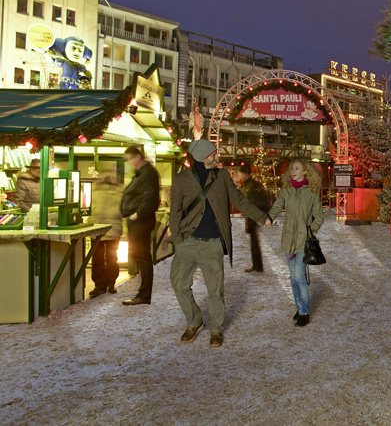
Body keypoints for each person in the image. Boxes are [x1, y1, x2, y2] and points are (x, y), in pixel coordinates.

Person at [169, 140, 271, 347]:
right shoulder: (181, 180)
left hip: (213, 243)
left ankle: (216, 328)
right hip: (187, 242)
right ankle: (194, 321)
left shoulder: (222, 176)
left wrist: (262, 217)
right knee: (179, 284)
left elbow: (240, 201)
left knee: (216, 291)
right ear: (204, 156)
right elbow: (175, 212)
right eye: (214, 154)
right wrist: (178, 241)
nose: (218, 157)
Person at [267, 160, 324, 327]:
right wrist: (270, 217)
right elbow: (277, 206)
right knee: (292, 278)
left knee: (299, 277)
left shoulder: (312, 192)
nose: (293, 170)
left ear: (305, 172)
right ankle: (300, 308)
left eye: (297, 168)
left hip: (303, 241)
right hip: (288, 240)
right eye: (292, 168)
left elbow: (319, 216)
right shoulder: (287, 190)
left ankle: (304, 312)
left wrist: (310, 231)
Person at [120, 145, 160, 306]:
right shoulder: (142, 173)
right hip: (137, 220)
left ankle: (144, 294)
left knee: (142, 255)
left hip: (141, 221)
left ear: (137, 157)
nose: (128, 163)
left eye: (129, 159)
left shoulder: (147, 173)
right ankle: (143, 294)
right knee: (139, 254)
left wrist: (137, 214)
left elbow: (149, 197)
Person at [88, 164, 124, 298]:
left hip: (109, 227)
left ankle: (107, 283)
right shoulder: (96, 187)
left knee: (110, 258)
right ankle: (102, 284)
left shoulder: (98, 188)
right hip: (99, 227)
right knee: (101, 258)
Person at [237, 164, 269, 273]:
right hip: (252, 217)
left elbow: (250, 202)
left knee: (254, 242)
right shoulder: (248, 184)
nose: (239, 175)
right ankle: (256, 265)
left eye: (240, 173)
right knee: (253, 242)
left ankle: (258, 266)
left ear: (245, 174)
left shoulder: (251, 185)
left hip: (253, 217)